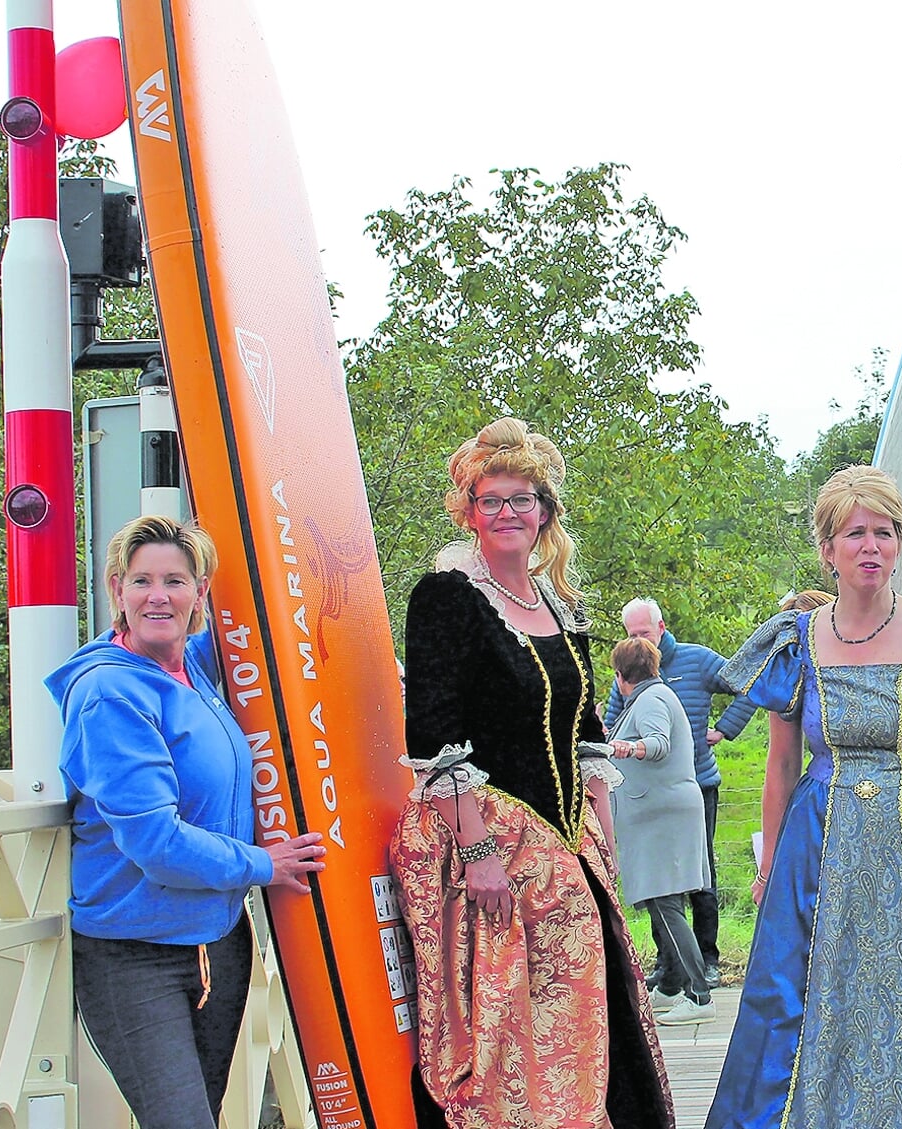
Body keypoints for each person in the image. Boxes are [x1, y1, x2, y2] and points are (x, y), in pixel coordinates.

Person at [705, 466, 902, 1129]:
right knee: (806, 996)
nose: (870, 546)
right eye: (855, 533)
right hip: (818, 846)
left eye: (884, 532)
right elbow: (781, 765)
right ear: (827, 549)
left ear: (899, 543)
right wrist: (768, 864)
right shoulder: (794, 642)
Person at [388, 418, 674, 1129]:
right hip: (484, 844)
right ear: (469, 511)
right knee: (509, 1040)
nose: (507, 513)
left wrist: (601, 830)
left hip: (564, 848)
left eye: (522, 499)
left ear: (545, 511)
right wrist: (479, 850)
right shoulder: (446, 596)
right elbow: (432, 731)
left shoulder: (559, 604)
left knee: (597, 1004)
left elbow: (584, 733)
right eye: (492, 500)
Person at [46, 516, 328, 1129]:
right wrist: (265, 864)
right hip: (135, 955)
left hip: (217, 947)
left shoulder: (192, 668)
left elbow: (264, 615)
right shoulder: (109, 694)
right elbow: (155, 841)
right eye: (142, 580)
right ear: (116, 590)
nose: (158, 595)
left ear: (200, 593)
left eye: (177, 580)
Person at [604, 597, 757, 994]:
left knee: (698, 875)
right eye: (632, 634)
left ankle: (705, 960)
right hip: (650, 795)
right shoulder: (628, 674)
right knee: (661, 885)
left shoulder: (697, 660)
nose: (639, 639)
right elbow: (610, 726)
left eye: (644, 632)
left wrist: (725, 729)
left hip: (696, 782)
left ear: (662, 627)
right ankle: (669, 965)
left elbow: (747, 685)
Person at [608, 636, 717, 1026]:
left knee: (667, 905)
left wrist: (626, 749)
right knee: (662, 903)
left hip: (662, 820)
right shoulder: (656, 694)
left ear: (621, 676)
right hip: (662, 817)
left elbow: (656, 743)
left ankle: (699, 994)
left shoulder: (650, 700)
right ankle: (670, 988)